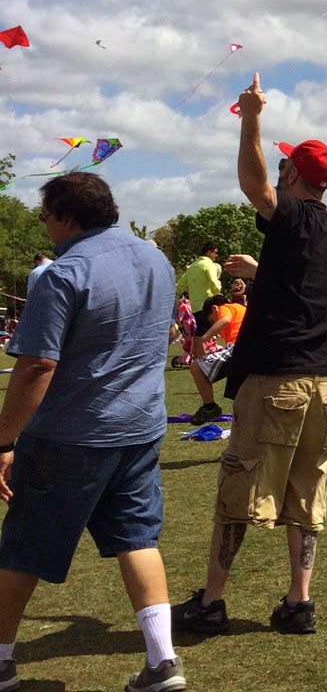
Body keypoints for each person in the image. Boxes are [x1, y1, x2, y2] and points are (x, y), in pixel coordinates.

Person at [173, 74, 327, 639]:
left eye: (285, 165)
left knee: (238, 491)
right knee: (305, 493)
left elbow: (255, 188)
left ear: (294, 173)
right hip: (320, 387)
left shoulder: (291, 214)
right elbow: (300, 286)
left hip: (275, 384)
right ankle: (300, 603)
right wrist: (263, 271)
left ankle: (211, 602)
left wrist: (251, 116)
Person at [0, 172, 184, 692]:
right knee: (137, 539)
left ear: (65, 216)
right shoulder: (156, 259)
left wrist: (3, 440)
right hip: (141, 428)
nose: (43, 226)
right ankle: (161, 660)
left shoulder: (63, 273)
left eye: (44, 216)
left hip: (71, 434)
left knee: (23, 549)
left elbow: (37, 366)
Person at [188, 287, 248, 425]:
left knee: (196, 367)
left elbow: (225, 320)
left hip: (239, 349)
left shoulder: (225, 308)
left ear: (214, 309)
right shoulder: (240, 308)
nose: (214, 324)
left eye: (212, 320)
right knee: (240, 393)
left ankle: (209, 407)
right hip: (251, 349)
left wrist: (203, 339)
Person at [175, 242, 222, 338]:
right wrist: (218, 292)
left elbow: (179, 286)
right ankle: (206, 352)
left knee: (200, 332)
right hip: (207, 305)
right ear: (209, 252)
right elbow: (214, 283)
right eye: (215, 253)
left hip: (195, 307)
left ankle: (197, 353)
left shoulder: (192, 267)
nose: (216, 255)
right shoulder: (209, 265)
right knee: (208, 334)